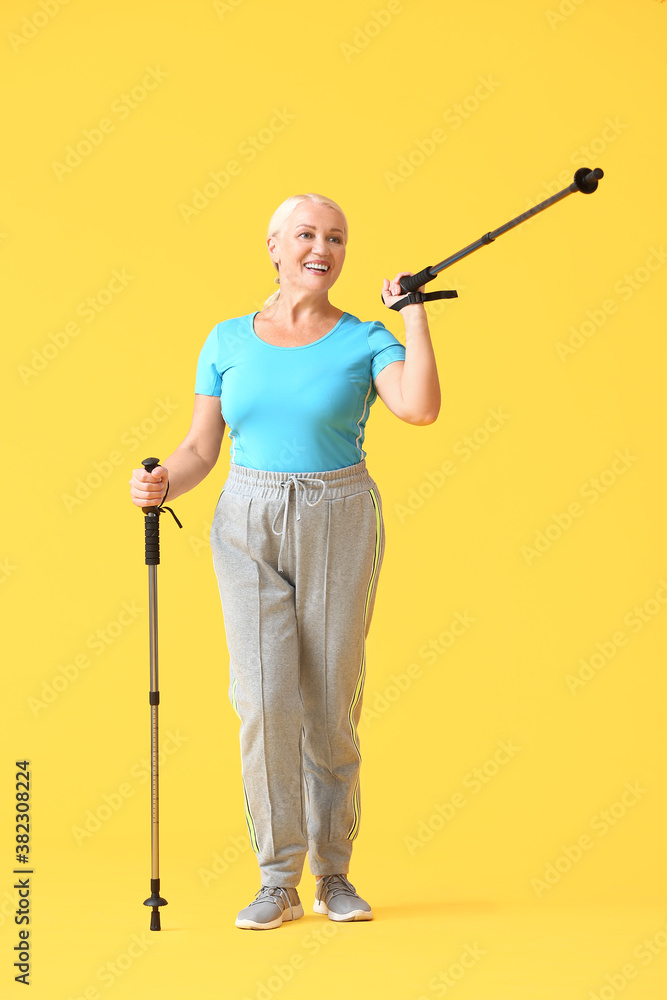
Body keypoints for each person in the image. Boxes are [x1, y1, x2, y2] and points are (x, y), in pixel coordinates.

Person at [129, 192, 441, 930]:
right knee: (264, 701)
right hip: (246, 516)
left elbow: (419, 408)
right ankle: (277, 879)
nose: (321, 247)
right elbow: (202, 447)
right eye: (305, 233)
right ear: (272, 244)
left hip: (339, 514)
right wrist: (161, 480)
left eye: (335, 237)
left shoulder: (367, 339)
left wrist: (414, 315)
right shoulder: (227, 340)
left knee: (329, 702)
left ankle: (334, 875)